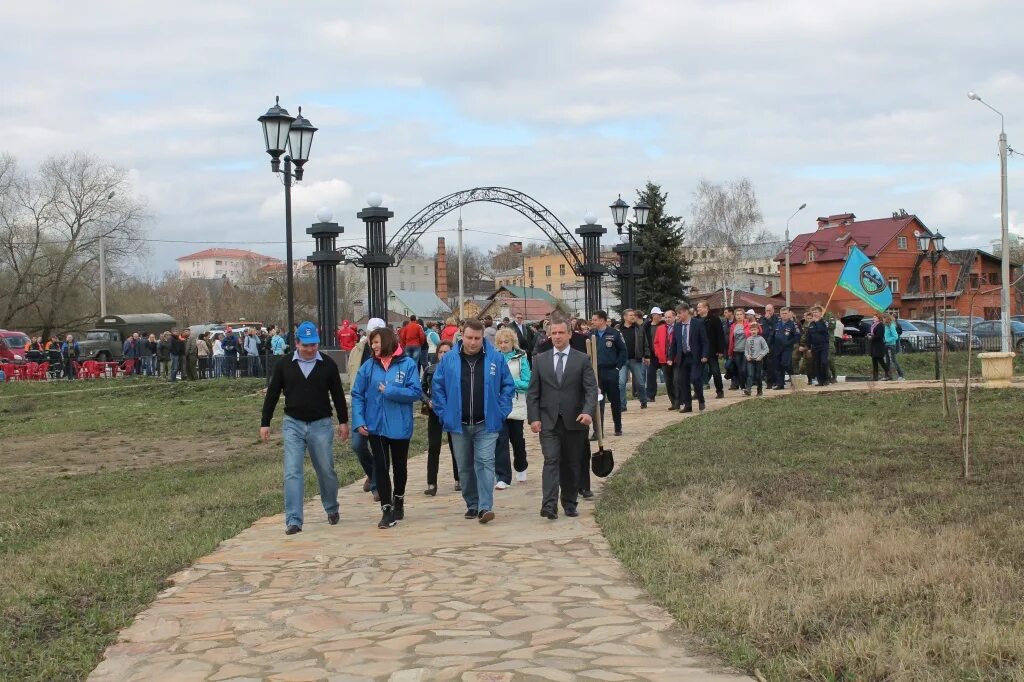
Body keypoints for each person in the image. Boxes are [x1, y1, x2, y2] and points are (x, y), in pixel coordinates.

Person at [260, 321, 350, 535]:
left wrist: (343, 421)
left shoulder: (327, 365)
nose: (310, 349)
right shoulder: (284, 365)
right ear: (297, 343)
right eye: (306, 345)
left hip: (321, 424)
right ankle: (293, 519)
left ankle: (331, 507)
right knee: (292, 471)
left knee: (326, 469)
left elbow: (337, 394)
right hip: (293, 424)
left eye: (314, 345)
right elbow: (272, 394)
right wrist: (265, 422)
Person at [431, 320, 515, 525]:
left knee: (485, 463)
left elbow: (507, 386)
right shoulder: (449, 359)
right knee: (465, 467)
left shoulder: (495, 358)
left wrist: (501, 411)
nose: (473, 342)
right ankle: (472, 503)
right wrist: (444, 413)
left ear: (483, 338)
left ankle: (485, 507)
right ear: (462, 336)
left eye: (477, 338)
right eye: (469, 337)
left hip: (486, 423)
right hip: (458, 424)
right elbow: (438, 387)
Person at [526, 317, 597, 520]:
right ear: (549, 335)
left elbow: (591, 389)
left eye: (561, 333)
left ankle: (569, 502)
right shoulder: (540, 359)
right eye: (553, 333)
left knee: (572, 463)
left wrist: (588, 411)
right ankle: (548, 505)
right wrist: (534, 418)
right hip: (548, 421)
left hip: (575, 421)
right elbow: (533, 393)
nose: (557, 336)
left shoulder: (582, 359)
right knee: (551, 460)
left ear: (569, 334)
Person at [351, 326, 421, 529]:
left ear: (388, 341)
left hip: (400, 426)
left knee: (400, 467)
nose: (373, 346)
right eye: (372, 343)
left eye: (376, 342)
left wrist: (390, 391)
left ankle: (399, 498)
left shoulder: (407, 364)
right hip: (376, 426)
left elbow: (415, 392)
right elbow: (357, 394)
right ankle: (387, 509)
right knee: (381, 467)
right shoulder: (369, 366)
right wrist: (359, 420)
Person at [494, 328, 531, 488]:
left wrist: (509, 382)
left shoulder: (521, 357)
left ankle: (521, 466)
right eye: (500, 342)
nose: (503, 345)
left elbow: (526, 382)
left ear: (512, 342)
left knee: (517, 440)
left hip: (516, 405)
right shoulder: (494, 358)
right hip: (499, 405)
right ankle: (503, 477)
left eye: (506, 342)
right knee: (500, 441)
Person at [422, 341, 459, 495]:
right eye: (441, 352)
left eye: (447, 352)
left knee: (455, 446)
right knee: (434, 446)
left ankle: (459, 479)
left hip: (452, 412)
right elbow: (421, 389)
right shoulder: (430, 370)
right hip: (435, 412)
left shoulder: (457, 369)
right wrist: (427, 401)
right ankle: (431, 483)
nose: (443, 355)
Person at [589, 311, 627, 436]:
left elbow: (623, 351)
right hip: (596, 372)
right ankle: (598, 431)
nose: (592, 322)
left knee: (615, 401)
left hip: (611, 371)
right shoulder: (591, 335)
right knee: (598, 402)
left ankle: (618, 427)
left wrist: (618, 368)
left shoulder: (614, 334)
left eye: (595, 319)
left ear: (602, 320)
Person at [667, 305, 709, 412]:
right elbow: (674, 344)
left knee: (695, 378)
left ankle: (701, 399)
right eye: (677, 313)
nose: (678, 315)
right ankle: (688, 405)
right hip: (682, 357)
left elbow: (705, 341)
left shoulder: (698, 323)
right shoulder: (677, 326)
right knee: (682, 381)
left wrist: (704, 355)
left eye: (679, 313)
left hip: (695, 356)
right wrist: (670, 357)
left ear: (686, 312)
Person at [618, 309, 649, 411]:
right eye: (631, 315)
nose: (633, 317)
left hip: (636, 359)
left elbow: (645, 343)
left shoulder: (639, 328)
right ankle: (622, 405)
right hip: (622, 361)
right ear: (625, 317)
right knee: (621, 383)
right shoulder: (617, 329)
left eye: (634, 315)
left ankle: (643, 400)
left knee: (640, 382)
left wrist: (647, 356)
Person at [696, 301, 726, 399]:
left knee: (716, 372)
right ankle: (697, 393)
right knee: (698, 373)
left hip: (712, 351)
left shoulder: (714, 319)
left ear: (706, 308)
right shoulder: (695, 320)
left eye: (700, 307)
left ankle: (720, 391)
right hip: (699, 352)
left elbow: (720, 335)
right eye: (697, 307)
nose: (698, 309)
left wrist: (720, 350)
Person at [769, 307, 800, 389]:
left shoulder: (793, 324)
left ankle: (792, 377)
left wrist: (790, 343)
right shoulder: (777, 323)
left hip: (787, 348)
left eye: (786, 313)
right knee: (778, 366)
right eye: (782, 313)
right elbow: (772, 335)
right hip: (777, 348)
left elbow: (797, 336)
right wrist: (769, 345)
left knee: (785, 363)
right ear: (780, 314)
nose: (784, 315)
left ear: (789, 313)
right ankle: (780, 384)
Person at [652, 308, 676, 409]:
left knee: (677, 380)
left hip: (676, 359)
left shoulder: (678, 327)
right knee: (668, 381)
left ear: (674, 317)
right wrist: (658, 353)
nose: (667, 319)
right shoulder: (660, 328)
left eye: (669, 317)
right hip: (663, 359)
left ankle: (680, 399)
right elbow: (656, 342)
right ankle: (674, 402)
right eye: (665, 317)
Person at [645, 307, 666, 403]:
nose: (661, 316)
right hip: (652, 354)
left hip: (663, 353)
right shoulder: (647, 326)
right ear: (653, 315)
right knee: (650, 375)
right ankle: (650, 395)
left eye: (661, 315)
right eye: (659, 315)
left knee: (668, 374)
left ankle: (675, 394)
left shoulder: (664, 325)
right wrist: (646, 355)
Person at [807, 307, 831, 387]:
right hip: (815, 346)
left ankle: (826, 379)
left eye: (816, 312)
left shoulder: (824, 322)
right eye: (813, 312)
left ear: (820, 313)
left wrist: (817, 321)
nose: (814, 314)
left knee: (824, 362)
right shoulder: (811, 324)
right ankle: (820, 381)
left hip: (823, 345)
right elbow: (809, 336)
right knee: (817, 364)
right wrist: (809, 347)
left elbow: (822, 330)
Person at [744, 322, 769, 396]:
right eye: (752, 330)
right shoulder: (748, 339)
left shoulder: (761, 339)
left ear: (758, 330)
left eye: (755, 330)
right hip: (750, 360)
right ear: (749, 331)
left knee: (758, 376)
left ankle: (759, 391)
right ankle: (748, 389)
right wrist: (747, 356)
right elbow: (746, 350)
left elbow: (766, 349)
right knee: (750, 375)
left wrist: (760, 356)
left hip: (758, 360)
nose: (753, 331)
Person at [758, 304, 779, 389]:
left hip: (772, 345)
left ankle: (770, 383)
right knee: (765, 365)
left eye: (770, 310)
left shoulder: (776, 319)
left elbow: (775, 329)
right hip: (762, 345)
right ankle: (769, 380)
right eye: (767, 310)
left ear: (773, 310)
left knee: (771, 364)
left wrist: (769, 320)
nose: (768, 312)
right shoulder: (762, 319)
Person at [869, 312, 891, 381]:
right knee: (874, 361)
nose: (873, 318)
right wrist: (870, 335)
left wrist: (871, 337)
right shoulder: (874, 325)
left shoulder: (880, 325)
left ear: (878, 318)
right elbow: (874, 334)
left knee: (881, 361)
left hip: (879, 346)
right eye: (873, 317)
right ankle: (875, 376)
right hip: (874, 346)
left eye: (875, 317)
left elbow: (879, 336)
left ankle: (889, 374)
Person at [883, 313, 905, 381]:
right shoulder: (886, 326)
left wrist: (887, 340)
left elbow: (895, 336)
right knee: (887, 361)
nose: (883, 320)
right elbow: (885, 335)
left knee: (893, 360)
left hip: (891, 345)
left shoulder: (891, 326)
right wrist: (884, 340)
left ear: (887, 318)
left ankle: (901, 375)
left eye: (883, 318)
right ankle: (888, 376)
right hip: (886, 345)